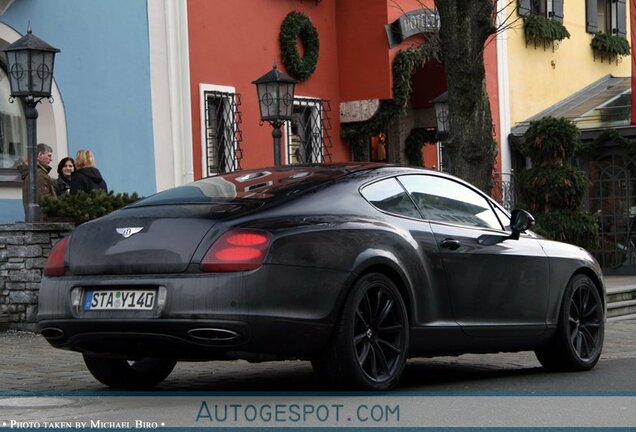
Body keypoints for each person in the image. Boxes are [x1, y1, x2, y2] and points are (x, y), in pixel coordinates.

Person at [17, 143, 57, 219]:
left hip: (35, 217)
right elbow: (42, 198)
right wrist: (60, 203)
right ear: (40, 155)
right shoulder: (38, 174)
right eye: (49, 155)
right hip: (42, 219)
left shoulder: (33, 172)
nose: (51, 159)